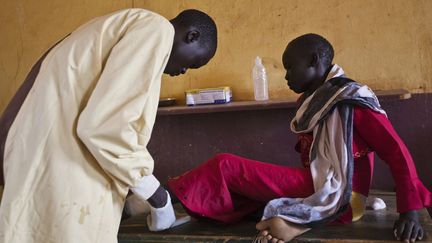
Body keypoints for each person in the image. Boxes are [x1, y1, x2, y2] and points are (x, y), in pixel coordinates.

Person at [161, 34, 430, 242]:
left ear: (314, 61)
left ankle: (160, 197)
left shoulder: (349, 99)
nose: (287, 76)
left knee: (225, 165)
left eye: (291, 67)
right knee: (246, 195)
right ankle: (288, 223)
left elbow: (397, 151)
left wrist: (410, 211)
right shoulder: (320, 99)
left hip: (340, 196)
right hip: (325, 187)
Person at [0, 8, 217, 243]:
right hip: (64, 163)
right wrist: (156, 194)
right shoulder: (156, 29)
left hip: (45, 157)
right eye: (195, 63)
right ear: (192, 36)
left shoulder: (114, 26)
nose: (184, 71)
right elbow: (106, 128)